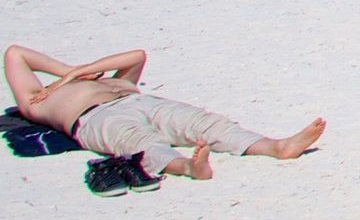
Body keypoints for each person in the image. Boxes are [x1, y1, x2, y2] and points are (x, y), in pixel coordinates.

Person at [4, 45, 324, 183]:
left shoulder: (119, 80)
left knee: (206, 123)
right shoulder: (37, 101)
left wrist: (76, 71)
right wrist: (64, 77)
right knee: (140, 144)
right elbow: (15, 53)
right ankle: (188, 167)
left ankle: (277, 147)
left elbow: (138, 54)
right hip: (94, 118)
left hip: (141, 102)